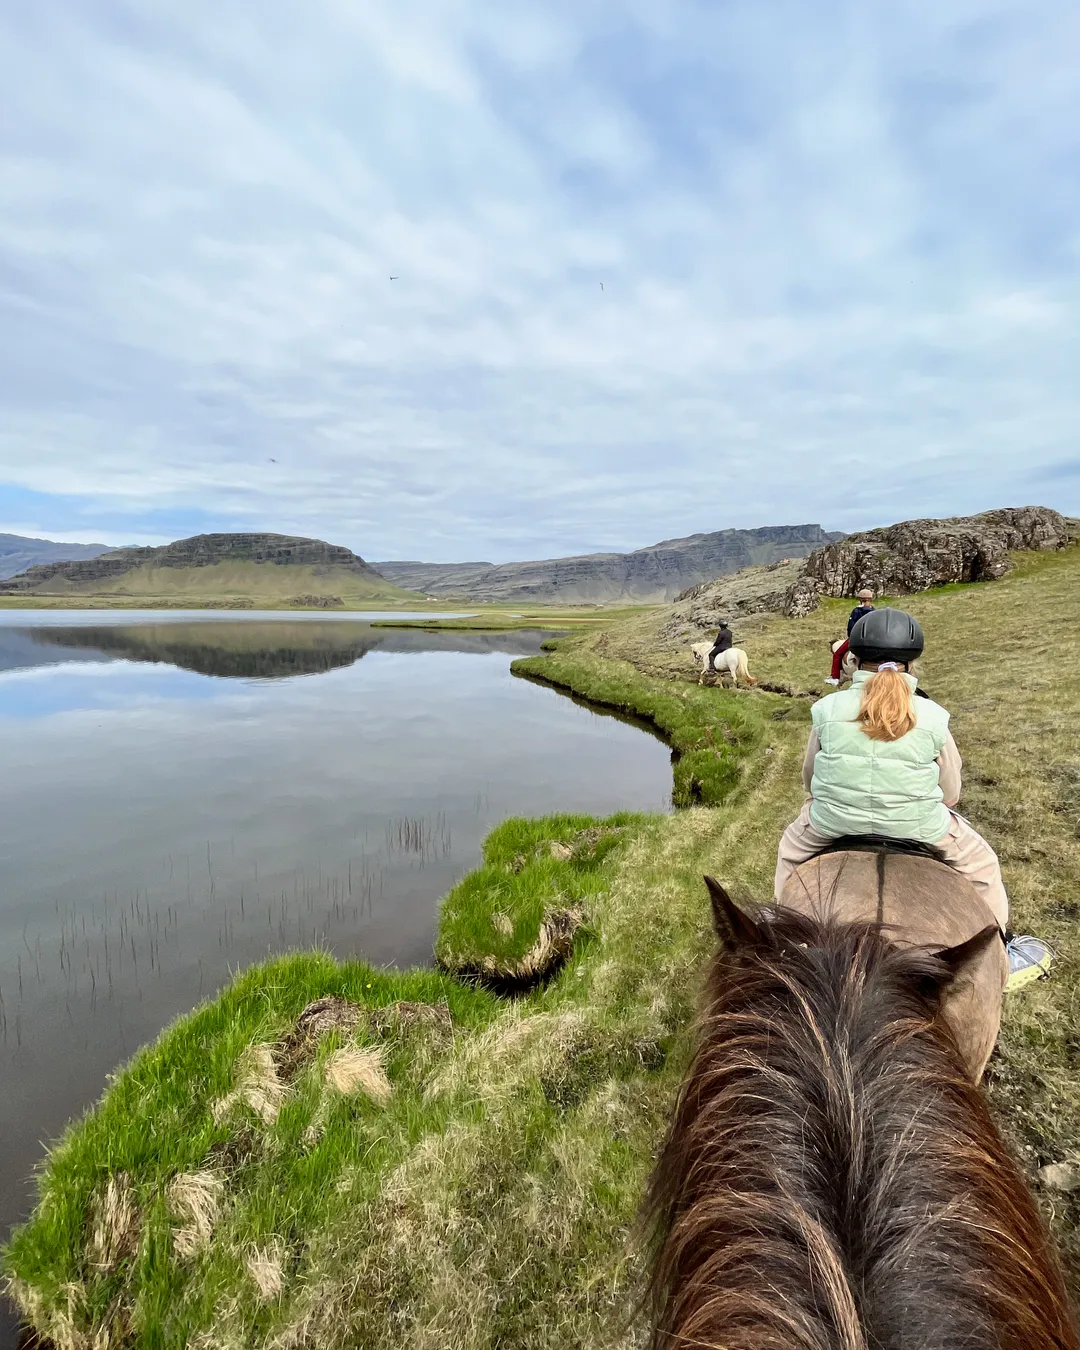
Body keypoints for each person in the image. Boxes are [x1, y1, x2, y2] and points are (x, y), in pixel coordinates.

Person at [775, 607, 1048, 984]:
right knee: (984, 865)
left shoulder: (826, 708)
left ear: (854, 659)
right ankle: (1001, 954)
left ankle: (781, 938)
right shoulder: (933, 714)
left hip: (834, 821)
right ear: (912, 662)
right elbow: (951, 791)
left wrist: (822, 797)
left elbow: (810, 776)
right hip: (918, 826)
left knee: (790, 848)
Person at [826, 588, 875, 685]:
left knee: (838, 654)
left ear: (860, 599)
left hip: (857, 638)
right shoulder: (874, 611)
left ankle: (835, 677)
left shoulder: (857, 611)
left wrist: (850, 636)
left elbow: (851, 627)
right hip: (872, 639)